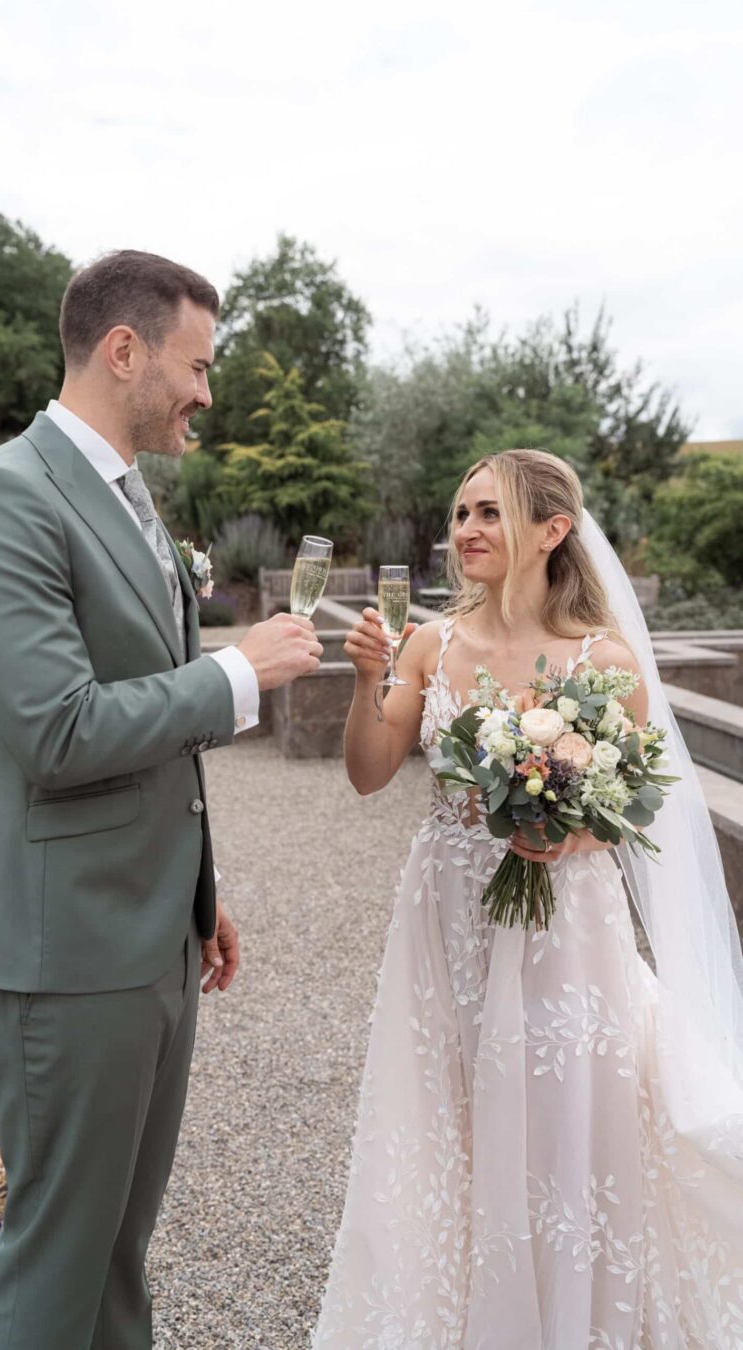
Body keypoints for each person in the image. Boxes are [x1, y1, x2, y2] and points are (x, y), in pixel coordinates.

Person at [0, 249, 322, 1350]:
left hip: (145, 931)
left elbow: (140, 725)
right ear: (123, 351)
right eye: (196, 368)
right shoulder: (2, 498)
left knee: (115, 1257)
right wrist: (243, 674)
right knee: (59, 1266)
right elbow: (56, 730)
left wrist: (198, 892)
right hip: (63, 953)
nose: (206, 392)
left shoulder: (127, 494)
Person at [313, 448, 743, 1349]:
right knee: (455, 1111)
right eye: (460, 513)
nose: (464, 531)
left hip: (566, 929)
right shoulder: (428, 643)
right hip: (446, 915)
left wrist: (567, 831)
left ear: (551, 531)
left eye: (487, 514)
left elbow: (632, 805)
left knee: (558, 1114)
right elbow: (367, 773)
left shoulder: (605, 659)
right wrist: (364, 683)